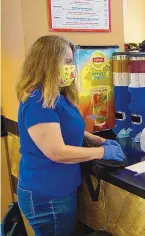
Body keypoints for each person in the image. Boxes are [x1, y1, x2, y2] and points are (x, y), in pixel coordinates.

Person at [16, 35, 125, 235]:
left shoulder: (56, 95)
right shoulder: (37, 101)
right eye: (66, 62)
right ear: (48, 62)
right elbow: (56, 152)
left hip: (58, 189)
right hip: (47, 195)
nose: (71, 67)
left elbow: (65, 127)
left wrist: (98, 139)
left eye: (71, 62)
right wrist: (100, 152)